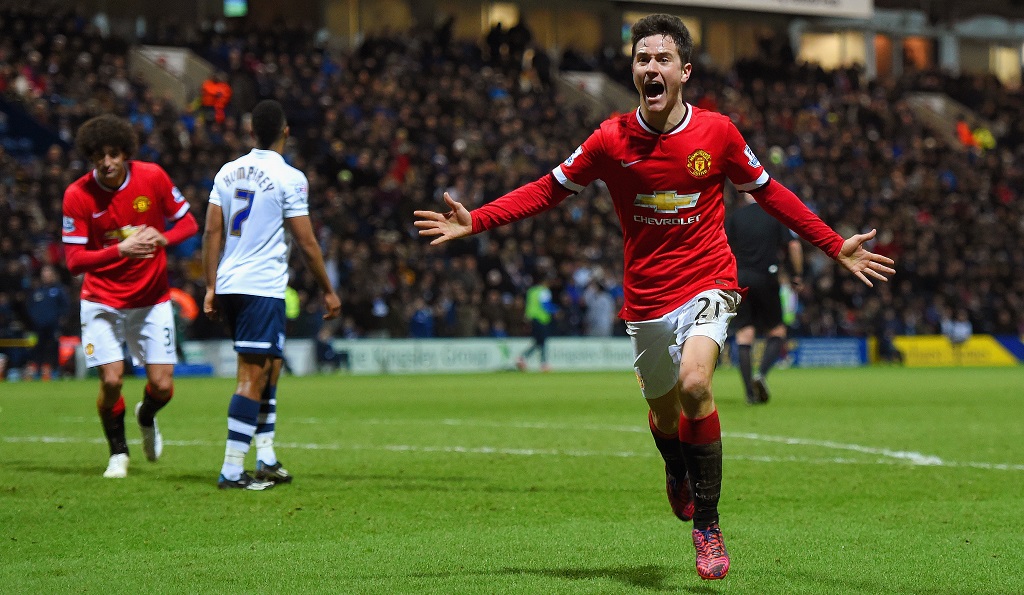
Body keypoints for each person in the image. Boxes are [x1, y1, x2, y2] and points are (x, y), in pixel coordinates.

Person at [414, 14, 895, 581]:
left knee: (697, 383)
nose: (651, 68)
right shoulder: (610, 139)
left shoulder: (718, 134)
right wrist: (478, 221)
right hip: (647, 300)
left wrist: (833, 244)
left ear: (684, 71)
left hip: (710, 281)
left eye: (662, 59)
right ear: (634, 71)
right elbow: (548, 189)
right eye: (642, 59)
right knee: (666, 414)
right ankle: (675, 468)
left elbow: (771, 195)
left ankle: (709, 528)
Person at [202, 99, 341, 491]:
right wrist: (328, 290)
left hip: (233, 284)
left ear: (250, 133)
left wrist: (211, 286)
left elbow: (212, 232)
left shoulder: (226, 173)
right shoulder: (289, 177)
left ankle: (264, 456)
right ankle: (232, 470)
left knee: (270, 367)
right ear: (285, 132)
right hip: (259, 287)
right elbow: (307, 242)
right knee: (251, 375)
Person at [62, 114, 199, 478]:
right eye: (98, 156)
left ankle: (146, 416)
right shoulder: (77, 195)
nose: (106, 162)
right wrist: (121, 250)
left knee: (162, 385)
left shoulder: (152, 176)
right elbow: (75, 262)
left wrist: (164, 237)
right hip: (102, 300)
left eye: (113, 154)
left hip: (152, 299)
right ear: (90, 158)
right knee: (111, 380)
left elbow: (188, 222)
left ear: (126, 153)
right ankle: (118, 453)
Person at [725, 192, 803, 404]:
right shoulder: (773, 215)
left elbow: (722, 246)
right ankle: (760, 375)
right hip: (767, 277)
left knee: (744, 334)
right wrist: (796, 275)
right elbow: (794, 246)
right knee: (777, 330)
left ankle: (750, 394)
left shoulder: (735, 217)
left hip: (740, 279)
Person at [25, 264, 70, 381]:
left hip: (54, 326)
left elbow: (65, 307)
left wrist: (60, 320)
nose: (46, 275)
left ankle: (55, 371)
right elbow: (30, 307)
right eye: (44, 273)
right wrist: (34, 320)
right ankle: (37, 372)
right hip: (39, 327)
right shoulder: (37, 291)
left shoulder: (59, 290)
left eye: (48, 273)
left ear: (53, 275)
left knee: (54, 348)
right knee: (38, 349)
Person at [516, 274, 556, 371]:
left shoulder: (531, 291)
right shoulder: (544, 291)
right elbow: (545, 305)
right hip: (542, 319)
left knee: (539, 341)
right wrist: (556, 310)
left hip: (532, 318)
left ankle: (522, 358)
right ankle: (543, 363)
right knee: (542, 341)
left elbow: (529, 305)